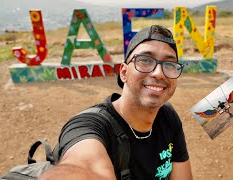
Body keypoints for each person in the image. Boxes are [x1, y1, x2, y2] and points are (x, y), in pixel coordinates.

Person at [39, 25, 192, 180]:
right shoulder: (91, 126)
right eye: (145, 60)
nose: (159, 73)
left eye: (170, 64)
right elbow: (83, 166)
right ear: (124, 73)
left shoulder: (167, 116)